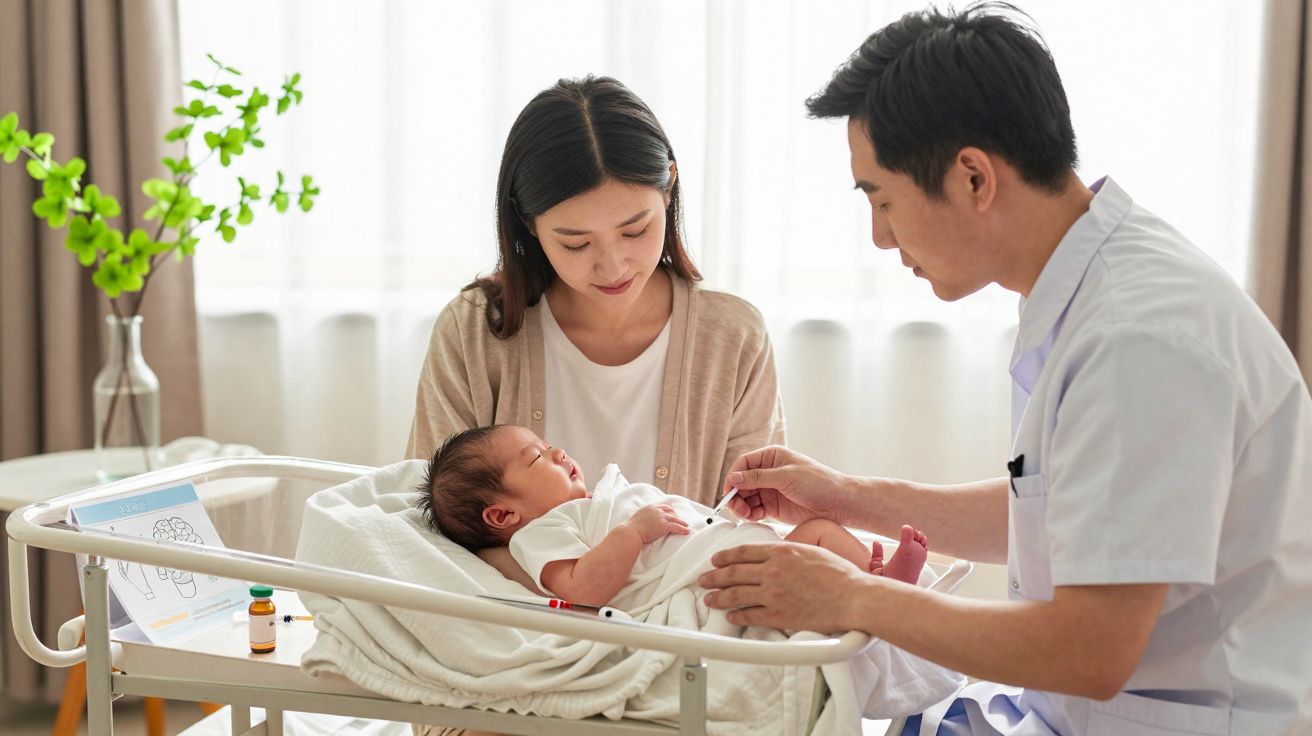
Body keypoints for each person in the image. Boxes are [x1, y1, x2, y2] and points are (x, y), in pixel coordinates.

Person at [698, 4, 1312, 735]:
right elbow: (1058, 515)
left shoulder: (1137, 340)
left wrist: (850, 597)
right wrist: (845, 496)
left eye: (883, 198)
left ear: (973, 179)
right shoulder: (1090, 284)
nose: (881, 236)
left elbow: (1089, 651)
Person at [406, 75, 786, 590]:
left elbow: (754, 525)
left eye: (635, 231)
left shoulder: (733, 337)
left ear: (669, 189)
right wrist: (581, 589)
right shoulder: (474, 332)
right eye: (576, 243)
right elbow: (430, 534)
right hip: (520, 632)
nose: (613, 266)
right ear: (529, 224)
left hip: (689, 633)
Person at [416, 424, 929, 609]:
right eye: (537, 459)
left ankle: (875, 579)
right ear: (503, 513)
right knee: (811, 544)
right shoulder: (542, 535)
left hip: (727, 538)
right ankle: (874, 589)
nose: (558, 454)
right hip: (712, 574)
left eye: (549, 446)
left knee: (816, 531)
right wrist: (633, 532)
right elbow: (582, 588)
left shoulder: (594, 501)